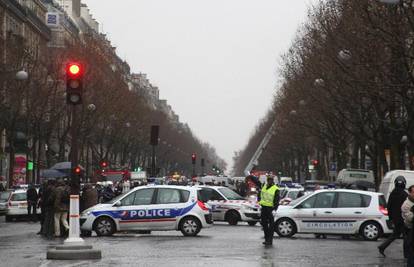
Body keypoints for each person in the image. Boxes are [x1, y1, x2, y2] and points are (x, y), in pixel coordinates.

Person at [378, 176, 408, 257]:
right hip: (403, 219)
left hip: (395, 219)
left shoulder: (392, 194)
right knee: (406, 237)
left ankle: (382, 247)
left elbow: (389, 207)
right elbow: (406, 208)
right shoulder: (404, 194)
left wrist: (391, 218)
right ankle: (406, 255)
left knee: (395, 235)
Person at [258, 175, 280, 246]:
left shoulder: (275, 188)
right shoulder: (264, 186)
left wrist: (275, 209)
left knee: (271, 226)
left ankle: (270, 240)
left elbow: (277, 200)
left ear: (272, 181)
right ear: (267, 180)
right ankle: (266, 239)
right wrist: (259, 200)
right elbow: (260, 194)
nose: (269, 181)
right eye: (268, 180)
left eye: (271, 180)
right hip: (264, 208)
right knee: (264, 225)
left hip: (270, 209)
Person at [402, 185, 414, 267]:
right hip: (410, 231)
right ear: (409, 193)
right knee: (411, 253)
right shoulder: (406, 205)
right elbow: (410, 219)